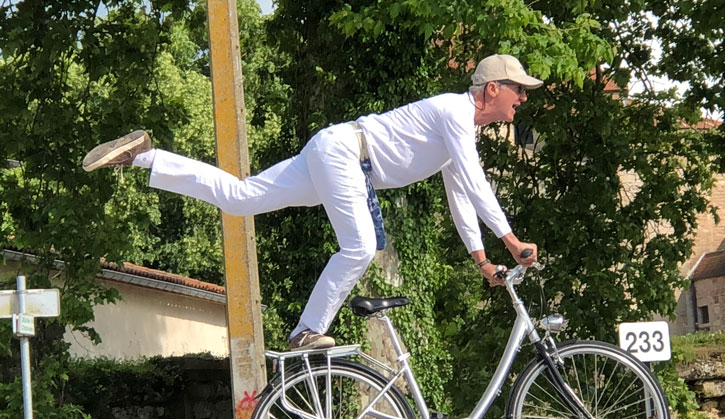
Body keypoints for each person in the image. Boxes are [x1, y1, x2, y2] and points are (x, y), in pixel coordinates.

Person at [83, 53, 541, 351]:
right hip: (344, 154)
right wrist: (513, 240)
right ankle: (307, 330)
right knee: (360, 246)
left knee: (242, 198)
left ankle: (146, 156)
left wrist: (482, 260)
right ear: (491, 89)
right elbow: (479, 184)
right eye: (518, 89)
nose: (523, 98)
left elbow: (462, 195)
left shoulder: (459, 130)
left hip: (338, 154)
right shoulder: (455, 112)